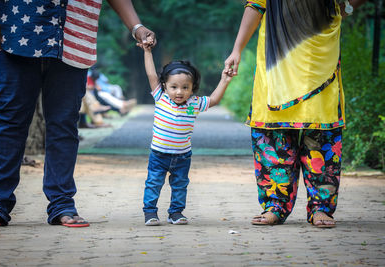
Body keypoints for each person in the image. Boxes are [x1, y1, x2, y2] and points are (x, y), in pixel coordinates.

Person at [0, 0, 155, 228]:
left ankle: (61, 203)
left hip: (74, 36)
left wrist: (136, 27)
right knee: (10, 120)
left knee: (64, 123)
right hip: (18, 29)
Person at [224, 0, 367, 228]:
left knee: (321, 138)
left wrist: (344, 6)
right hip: (276, 62)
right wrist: (237, 49)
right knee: (273, 138)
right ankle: (275, 206)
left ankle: (321, 208)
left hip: (319, 59)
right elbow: (255, 5)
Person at [138, 39, 233, 226]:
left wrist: (225, 80)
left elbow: (213, 99)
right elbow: (151, 73)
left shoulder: (194, 104)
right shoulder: (161, 97)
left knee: (180, 186)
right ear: (165, 86)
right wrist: (147, 52)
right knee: (153, 184)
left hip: (182, 156)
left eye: (185, 87)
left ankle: (176, 213)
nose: (179, 92)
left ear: (192, 88)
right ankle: (150, 213)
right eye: (174, 87)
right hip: (158, 154)